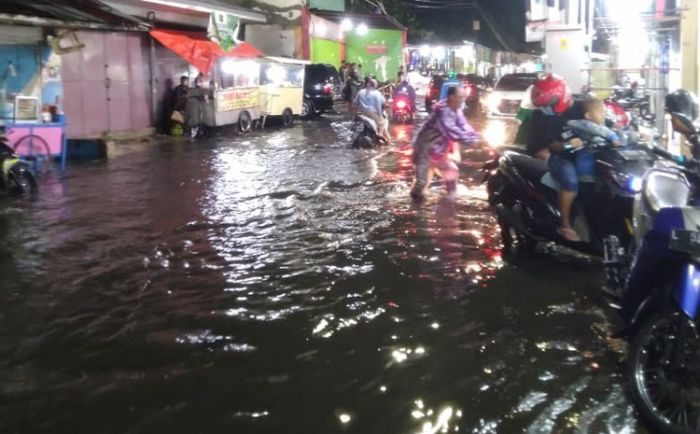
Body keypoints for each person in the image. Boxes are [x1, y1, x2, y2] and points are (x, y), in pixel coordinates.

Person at [410, 85, 480, 200]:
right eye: (461, 96)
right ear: (452, 97)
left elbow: (464, 125)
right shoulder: (442, 111)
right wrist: (472, 142)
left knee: (451, 171)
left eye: (464, 96)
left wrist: (476, 137)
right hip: (424, 151)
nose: (463, 99)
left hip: (439, 151)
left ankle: (449, 201)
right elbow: (451, 130)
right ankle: (414, 209)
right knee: (421, 183)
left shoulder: (457, 110)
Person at [354, 77, 389, 141]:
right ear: (374, 85)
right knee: (382, 123)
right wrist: (381, 113)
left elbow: (355, 103)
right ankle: (380, 134)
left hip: (360, 114)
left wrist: (357, 110)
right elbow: (381, 104)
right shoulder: (377, 93)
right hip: (372, 114)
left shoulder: (360, 92)